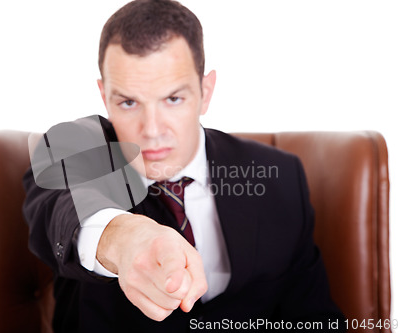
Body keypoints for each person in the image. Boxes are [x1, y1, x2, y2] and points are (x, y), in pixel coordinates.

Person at [22, 0, 346, 331]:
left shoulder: (279, 176)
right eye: (129, 102)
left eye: (173, 99)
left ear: (206, 92)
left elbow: (314, 318)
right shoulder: (73, 147)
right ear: (105, 97)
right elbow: (59, 205)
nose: (151, 130)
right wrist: (123, 239)